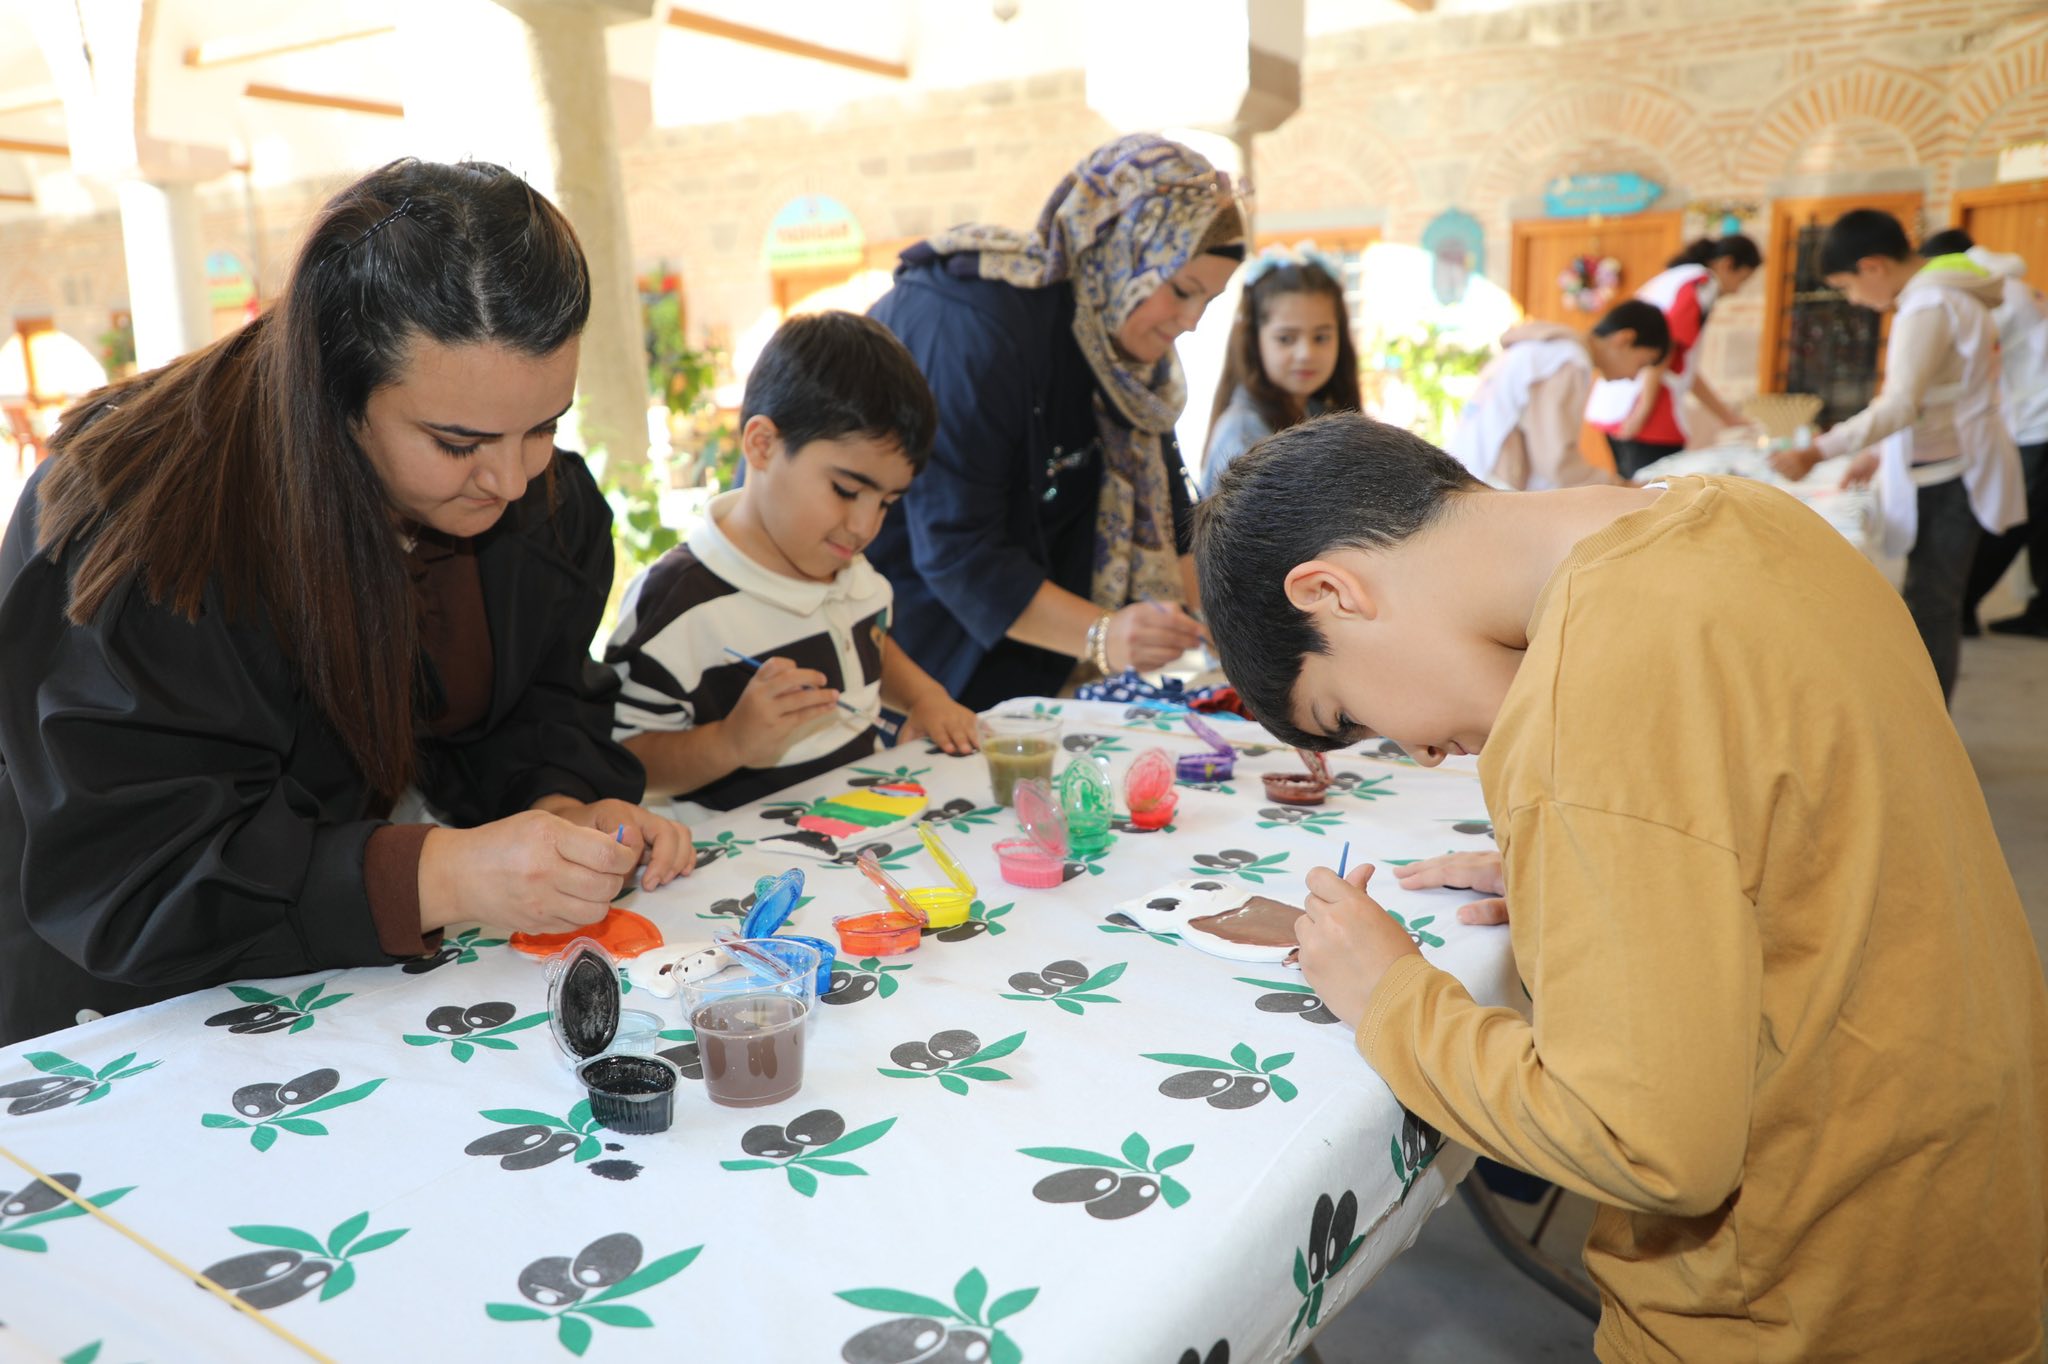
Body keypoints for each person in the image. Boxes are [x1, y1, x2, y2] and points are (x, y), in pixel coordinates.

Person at [1194, 413, 2048, 1364]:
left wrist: (1389, 994)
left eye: (1343, 709)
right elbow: (1792, 819)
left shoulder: (1583, 700)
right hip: (1964, 1221)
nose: (1419, 748)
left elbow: (1643, 1141)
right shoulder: (1748, 516)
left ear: (1331, 592)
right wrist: (1608, 875)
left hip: (1804, 1295)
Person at [0, 159, 693, 1047]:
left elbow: (524, 704)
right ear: (334, 391)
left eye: (546, 425)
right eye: (457, 442)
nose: (514, 481)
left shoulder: (521, 494)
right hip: (131, 1016)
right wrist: (440, 875)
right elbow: (147, 869)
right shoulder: (146, 525)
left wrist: (557, 808)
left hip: (336, 999)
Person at [866, 133, 1241, 710]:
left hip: (1022, 675)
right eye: (1182, 291)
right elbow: (958, 551)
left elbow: (1174, 521)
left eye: (1209, 302)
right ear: (1122, 254)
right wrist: (1105, 636)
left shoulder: (1125, 362)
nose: (1190, 322)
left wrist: (1243, 638)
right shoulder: (981, 330)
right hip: (906, 667)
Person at [604, 311, 978, 810]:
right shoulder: (676, 604)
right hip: (742, 877)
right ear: (762, 445)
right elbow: (625, 759)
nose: (866, 527)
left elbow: (866, 640)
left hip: (860, 839)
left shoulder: (844, 563)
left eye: (887, 503)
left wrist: (924, 697)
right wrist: (731, 743)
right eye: (846, 490)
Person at [1770, 210, 2026, 701]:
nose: (1853, 300)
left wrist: (1818, 450)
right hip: (1948, 458)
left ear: (1873, 266)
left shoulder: (1928, 303)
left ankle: (1927, 736)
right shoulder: (1942, 293)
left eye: (1847, 286)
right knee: (1931, 602)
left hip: (1950, 474)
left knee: (1932, 606)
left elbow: (1903, 403)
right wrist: (1879, 455)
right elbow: (1930, 396)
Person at [1919, 227, 2048, 639]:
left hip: (2035, 420)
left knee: (2007, 520)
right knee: (2038, 521)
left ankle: (1960, 606)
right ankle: (2040, 612)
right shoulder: (2011, 285)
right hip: (2032, 415)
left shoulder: (1990, 291)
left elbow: (1965, 357)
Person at [1447, 299, 1670, 490]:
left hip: (1466, 473)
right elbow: (1555, 462)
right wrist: (1621, 487)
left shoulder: (1543, 349)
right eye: (1642, 364)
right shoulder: (1568, 360)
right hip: (1487, 485)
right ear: (1624, 339)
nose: (1634, 377)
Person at [1587, 235, 1762, 477]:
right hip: (1649, 415)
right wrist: (1642, 411)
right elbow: (1663, 350)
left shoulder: (1672, 279)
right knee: (1654, 499)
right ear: (1726, 265)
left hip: (1617, 407)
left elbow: (1684, 366)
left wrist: (1726, 416)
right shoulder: (1702, 284)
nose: (1736, 290)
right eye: (1741, 280)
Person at [1199, 243, 1362, 495]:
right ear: (1254, 341)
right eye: (1286, 338)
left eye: (1321, 337)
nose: (1306, 353)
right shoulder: (1244, 436)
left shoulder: (1316, 413)